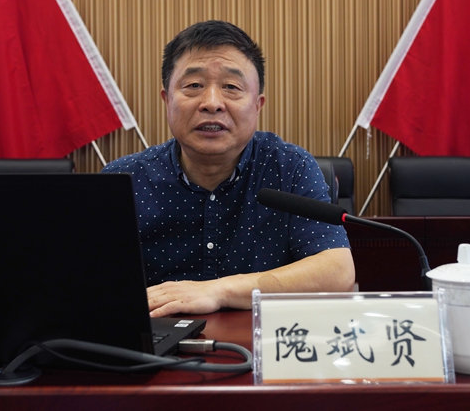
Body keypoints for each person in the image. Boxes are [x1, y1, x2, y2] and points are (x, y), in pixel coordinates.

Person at [102, 20, 355, 317]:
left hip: (261, 340)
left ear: (257, 105)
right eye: (194, 85)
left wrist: (217, 290)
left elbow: (337, 271)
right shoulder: (123, 180)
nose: (212, 103)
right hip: (155, 340)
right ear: (166, 100)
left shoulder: (291, 168)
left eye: (231, 87)